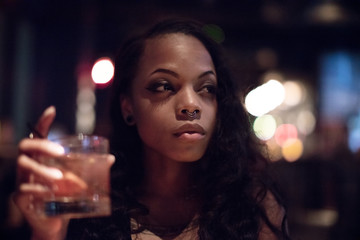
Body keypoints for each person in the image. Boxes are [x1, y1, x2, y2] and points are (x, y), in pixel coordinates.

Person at [14, 18, 290, 240]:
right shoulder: (90, 202)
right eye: (164, 86)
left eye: (207, 89)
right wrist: (48, 233)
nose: (191, 106)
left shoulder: (249, 206)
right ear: (128, 107)